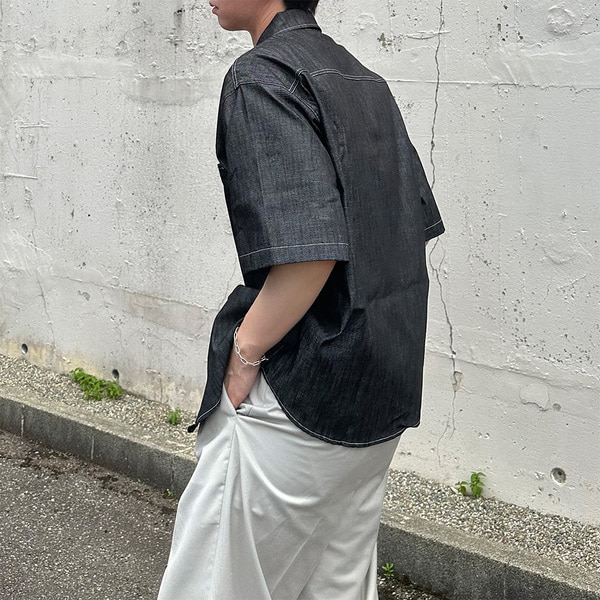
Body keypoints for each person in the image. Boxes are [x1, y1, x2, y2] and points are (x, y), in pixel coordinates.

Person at [157, 1, 445, 599]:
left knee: (214, 585)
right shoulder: (363, 78)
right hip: (378, 399)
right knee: (334, 588)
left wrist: (245, 353)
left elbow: (308, 255)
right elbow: (407, 232)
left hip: (300, 399)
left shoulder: (262, 77)